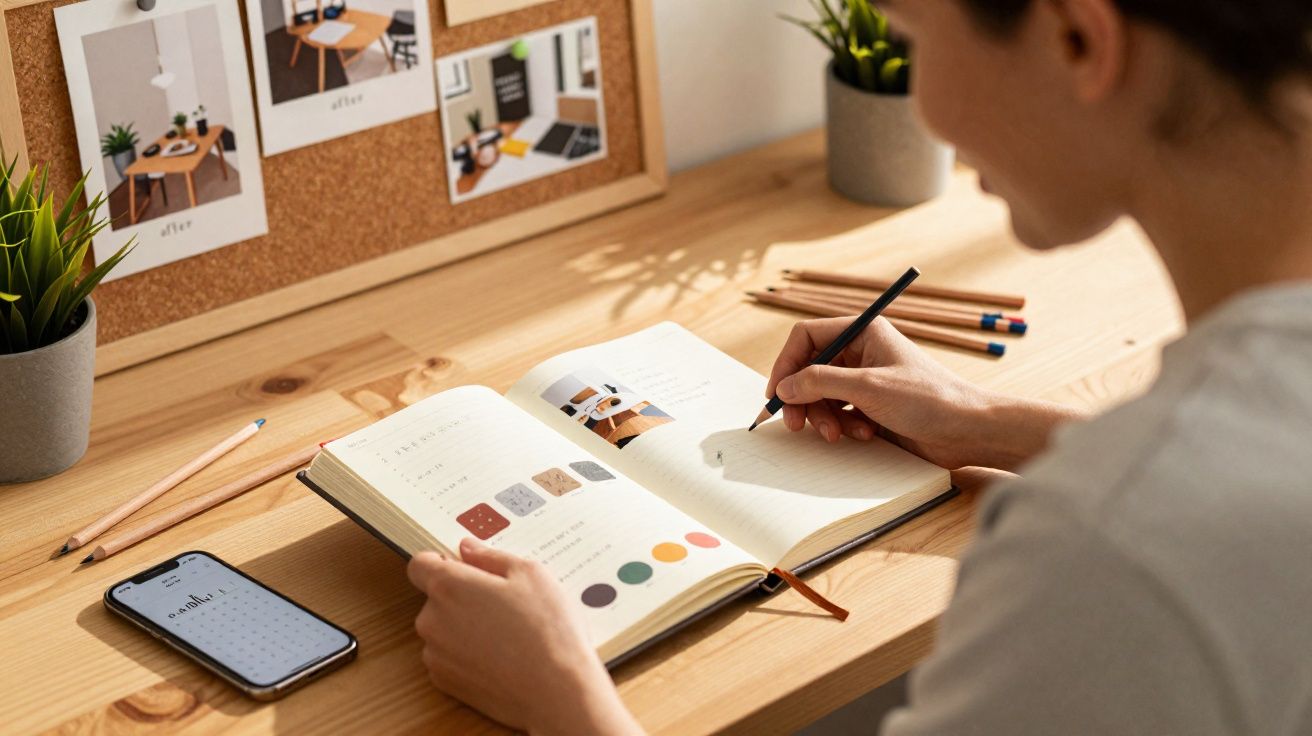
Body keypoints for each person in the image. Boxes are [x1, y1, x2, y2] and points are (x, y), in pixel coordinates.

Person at [404, 0, 1312, 732]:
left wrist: (565, 698)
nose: (923, 111)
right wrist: (985, 423)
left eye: (912, 39)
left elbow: (1170, 517)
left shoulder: (1104, 553)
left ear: (1077, 38)